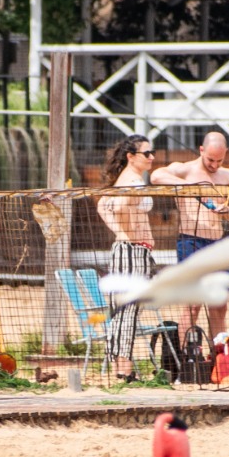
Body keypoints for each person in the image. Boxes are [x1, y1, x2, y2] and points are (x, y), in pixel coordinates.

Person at [151, 130, 229, 338]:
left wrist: (226, 210)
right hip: (191, 242)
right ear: (201, 150)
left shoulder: (228, 175)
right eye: (210, 159)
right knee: (193, 305)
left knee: (220, 304)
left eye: (220, 160)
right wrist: (190, 186)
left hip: (218, 243)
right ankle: (185, 358)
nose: (215, 165)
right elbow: (156, 176)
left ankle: (218, 357)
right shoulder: (184, 169)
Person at [96, 135, 157, 380]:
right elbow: (119, 207)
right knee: (128, 311)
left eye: (152, 153)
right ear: (131, 156)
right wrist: (126, 232)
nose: (152, 157)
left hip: (129, 249)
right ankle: (125, 370)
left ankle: (119, 370)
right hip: (131, 251)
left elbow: (103, 204)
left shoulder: (127, 179)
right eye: (147, 153)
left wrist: (119, 231)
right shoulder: (132, 181)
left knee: (123, 311)